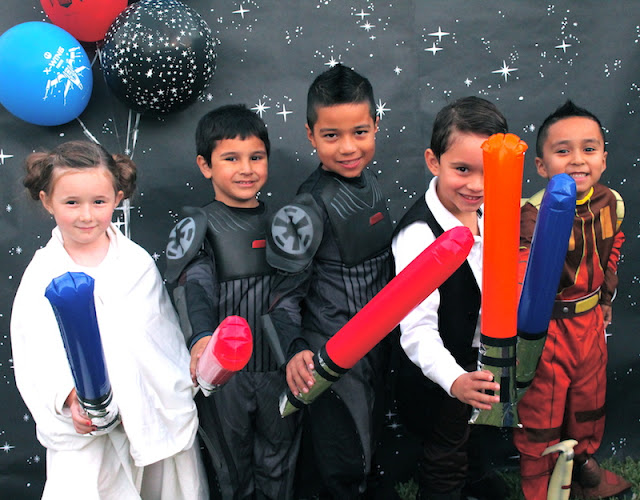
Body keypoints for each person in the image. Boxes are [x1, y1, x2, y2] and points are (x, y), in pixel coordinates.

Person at [11, 140, 206, 500]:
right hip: (87, 427)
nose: (86, 215)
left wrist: (162, 387)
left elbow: (161, 337)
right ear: (47, 201)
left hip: (149, 413)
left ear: (117, 199)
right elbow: (34, 354)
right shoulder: (42, 274)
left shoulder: (136, 263)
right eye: (72, 203)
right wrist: (70, 398)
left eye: (98, 202)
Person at [264, 64, 395, 499]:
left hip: (379, 349)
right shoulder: (305, 208)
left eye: (360, 132)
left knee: (371, 456)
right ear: (310, 135)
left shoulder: (371, 184)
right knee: (344, 467)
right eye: (332, 135)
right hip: (333, 359)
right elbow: (281, 298)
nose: (348, 147)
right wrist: (295, 351)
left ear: (376, 125)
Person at [164, 104, 301, 500]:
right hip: (224, 378)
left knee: (279, 466)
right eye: (231, 158)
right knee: (231, 472)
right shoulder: (200, 227)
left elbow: (293, 296)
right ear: (205, 165)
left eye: (256, 157)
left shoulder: (284, 225)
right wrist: (202, 338)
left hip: (278, 372)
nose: (246, 169)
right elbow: (194, 287)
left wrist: (294, 353)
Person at [391, 96, 508, 500]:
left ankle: (475, 479)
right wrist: (454, 379)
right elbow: (416, 329)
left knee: (475, 434)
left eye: (489, 171)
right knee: (446, 451)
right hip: (439, 369)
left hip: (480, 352)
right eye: (462, 169)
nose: (476, 185)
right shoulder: (419, 235)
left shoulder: (490, 211)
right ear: (433, 161)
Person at [514, 100, 630, 500]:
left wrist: (605, 298)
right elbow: (519, 278)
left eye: (589, 148)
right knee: (541, 413)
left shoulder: (611, 202)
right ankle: (538, 488)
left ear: (603, 158)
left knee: (588, 402)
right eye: (563, 150)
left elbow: (611, 248)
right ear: (542, 165)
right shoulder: (530, 215)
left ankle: (583, 470)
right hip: (546, 330)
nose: (578, 159)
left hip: (590, 322)